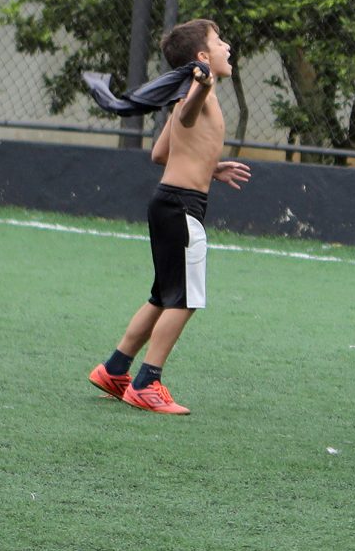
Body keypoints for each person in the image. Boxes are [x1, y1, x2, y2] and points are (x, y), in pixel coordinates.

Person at [87, 20, 251, 413]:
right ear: (202, 57)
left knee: (164, 295)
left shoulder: (186, 94)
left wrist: (210, 165)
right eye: (219, 41)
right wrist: (204, 88)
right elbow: (189, 120)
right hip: (182, 206)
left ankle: (114, 370)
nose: (227, 46)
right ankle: (147, 383)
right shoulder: (199, 92)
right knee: (186, 299)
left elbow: (161, 153)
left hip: (167, 203)